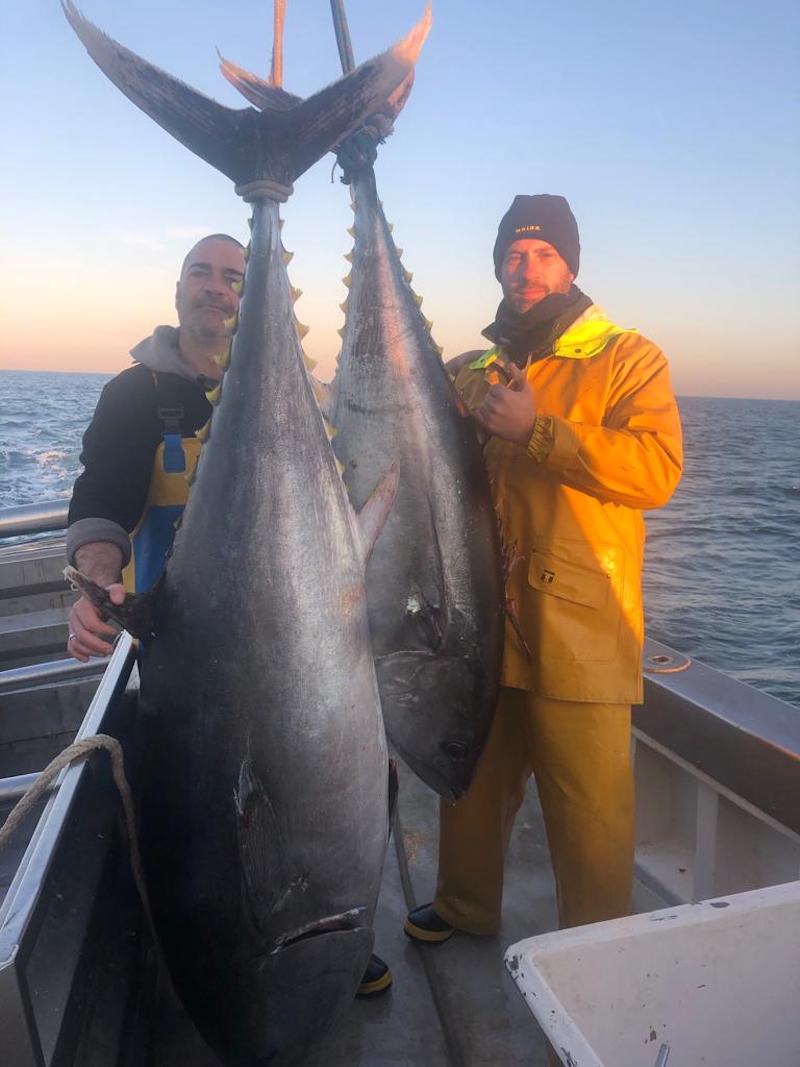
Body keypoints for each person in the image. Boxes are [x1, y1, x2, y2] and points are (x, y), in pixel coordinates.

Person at [65, 233, 392, 998]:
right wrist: (95, 584)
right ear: (178, 288)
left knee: (339, 786)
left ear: (248, 296)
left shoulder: (305, 397)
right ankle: (206, 948)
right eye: (201, 274)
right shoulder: (135, 393)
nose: (216, 288)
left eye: (232, 277)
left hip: (308, 642)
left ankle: (338, 932)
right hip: (190, 663)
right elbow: (100, 504)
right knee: (202, 822)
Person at [404, 195, 683, 952]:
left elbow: (657, 470)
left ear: (571, 264)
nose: (525, 269)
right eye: (513, 255)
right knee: (473, 782)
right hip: (484, 620)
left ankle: (596, 950)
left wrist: (539, 432)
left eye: (543, 255)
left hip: (580, 631)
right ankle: (464, 904)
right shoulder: (473, 370)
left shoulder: (629, 356)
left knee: (589, 808)